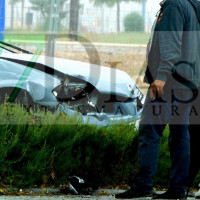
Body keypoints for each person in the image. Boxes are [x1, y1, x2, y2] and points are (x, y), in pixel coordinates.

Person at [116, 0, 200, 199]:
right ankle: (178, 189)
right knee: (180, 134)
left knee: (150, 130)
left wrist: (161, 76)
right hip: (188, 81)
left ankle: (144, 184)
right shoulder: (192, 6)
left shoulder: (174, 6)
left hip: (170, 81)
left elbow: (171, 44)